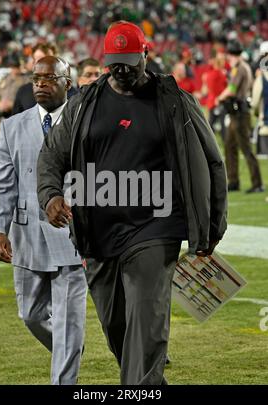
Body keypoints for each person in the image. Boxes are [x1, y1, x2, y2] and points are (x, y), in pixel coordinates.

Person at [37, 21, 227, 385]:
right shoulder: (84, 104)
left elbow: (212, 161)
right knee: (117, 326)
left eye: (128, 60)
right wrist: (51, 195)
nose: (120, 69)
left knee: (147, 316)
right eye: (114, 62)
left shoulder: (174, 102)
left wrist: (212, 226)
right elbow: (51, 156)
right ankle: (147, 384)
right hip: (97, 232)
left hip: (156, 227)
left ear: (146, 52)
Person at [0, 56, 87, 385]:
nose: (40, 84)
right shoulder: (12, 127)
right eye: (36, 79)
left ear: (67, 84)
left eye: (49, 79)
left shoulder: (84, 122)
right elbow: (1, 185)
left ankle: (64, 378)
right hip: (27, 238)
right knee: (30, 315)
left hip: (73, 235)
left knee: (69, 322)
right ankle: (68, 348)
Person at [217, 40, 264, 193]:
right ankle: (233, 180)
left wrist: (219, 97)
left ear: (233, 55)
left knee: (245, 148)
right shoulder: (240, 67)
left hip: (240, 113)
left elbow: (231, 89)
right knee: (230, 146)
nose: (228, 58)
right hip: (236, 113)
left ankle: (257, 183)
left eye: (229, 55)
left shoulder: (240, 68)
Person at [12, 43, 57, 114]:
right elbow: (15, 121)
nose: (44, 63)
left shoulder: (67, 91)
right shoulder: (23, 91)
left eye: (48, 59)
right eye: (40, 59)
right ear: (33, 63)